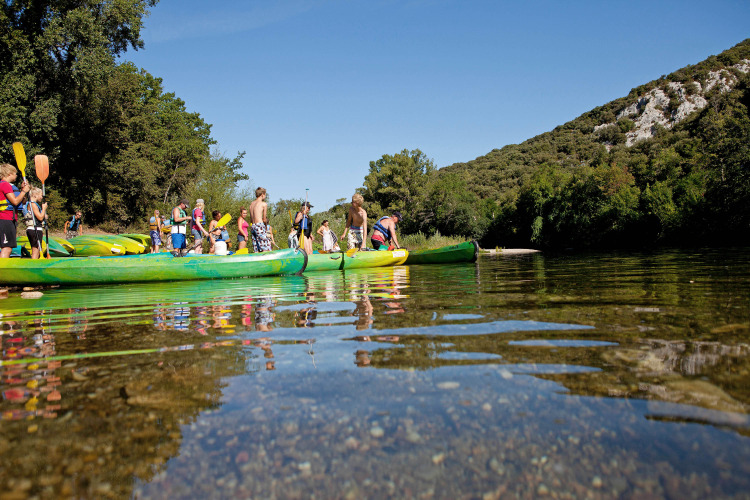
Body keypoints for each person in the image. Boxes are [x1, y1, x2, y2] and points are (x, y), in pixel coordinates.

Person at [0, 163, 30, 258]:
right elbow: (15, 201)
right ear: (9, 174)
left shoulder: (6, 185)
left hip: (8, 219)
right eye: (15, 173)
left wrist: (22, 190)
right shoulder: (5, 185)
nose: (16, 175)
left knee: (8, 246)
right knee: (7, 247)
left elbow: (22, 201)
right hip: (5, 219)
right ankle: (3, 267)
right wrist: (24, 191)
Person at [24, 188, 47, 259]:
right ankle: (33, 263)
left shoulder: (32, 204)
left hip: (35, 229)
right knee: (35, 250)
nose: (42, 197)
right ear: (35, 195)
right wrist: (44, 209)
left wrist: (44, 215)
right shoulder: (32, 204)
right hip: (34, 229)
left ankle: (35, 262)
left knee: (37, 249)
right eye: (41, 195)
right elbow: (40, 217)